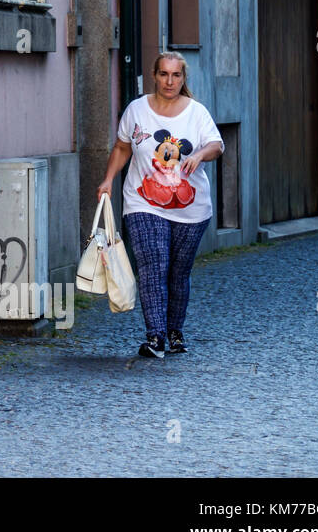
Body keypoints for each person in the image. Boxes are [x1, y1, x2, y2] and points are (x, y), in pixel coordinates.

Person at [96, 51, 224, 359]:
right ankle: (155, 337)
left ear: (183, 78)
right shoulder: (137, 110)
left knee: (178, 273)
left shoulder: (196, 112)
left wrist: (197, 156)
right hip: (143, 203)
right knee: (153, 266)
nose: (169, 81)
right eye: (164, 74)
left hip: (190, 210)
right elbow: (122, 147)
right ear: (155, 76)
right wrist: (108, 180)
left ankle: (174, 331)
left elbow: (216, 145)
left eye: (176, 75)